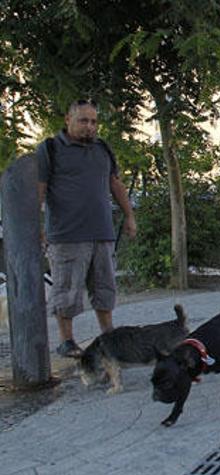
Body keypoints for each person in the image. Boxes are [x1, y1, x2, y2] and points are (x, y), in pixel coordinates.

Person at [36, 100, 137, 357]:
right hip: (67, 235)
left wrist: (129, 216)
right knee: (66, 290)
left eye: (93, 121)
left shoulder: (103, 149)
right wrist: (37, 227)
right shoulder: (50, 149)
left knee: (105, 288)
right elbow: (39, 188)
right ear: (68, 120)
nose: (89, 126)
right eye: (83, 120)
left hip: (102, 233)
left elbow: (115, 183)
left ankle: (109, 337)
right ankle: (67, 341)